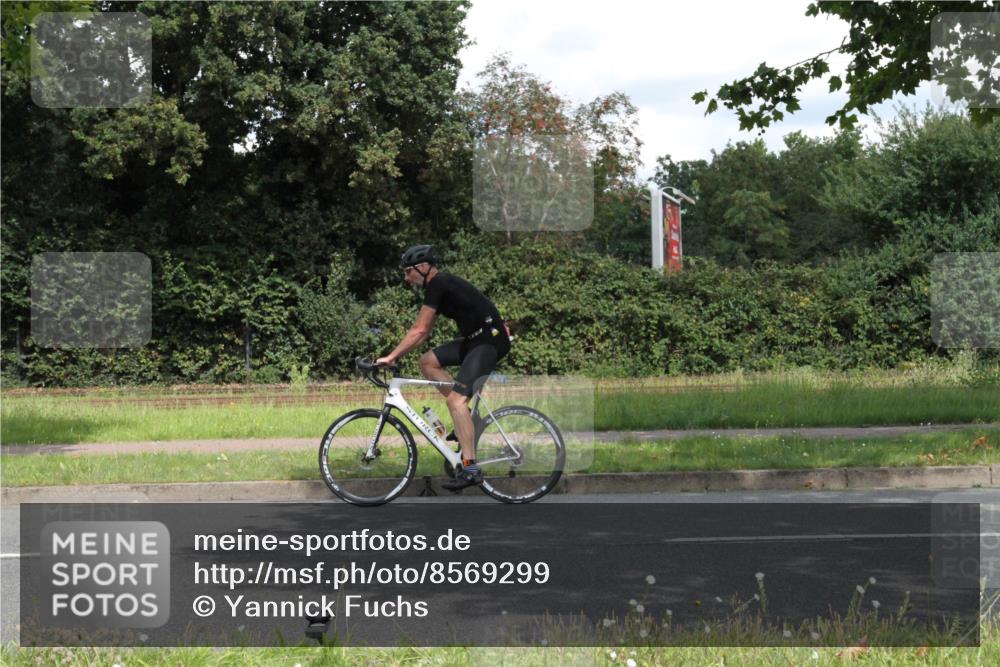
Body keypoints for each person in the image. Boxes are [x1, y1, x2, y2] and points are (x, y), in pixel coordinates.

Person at [376, 244, 511, 490]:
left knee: (455, 402)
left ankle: (471, 470)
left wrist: (391, 356)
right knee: (427, 362)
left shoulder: (439, 283)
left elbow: (420, 330)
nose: (407, 279)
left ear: (424, 267)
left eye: (409, 272)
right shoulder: (438, 286)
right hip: (476, 339)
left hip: (489, 341)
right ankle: (465, 418)